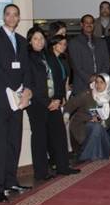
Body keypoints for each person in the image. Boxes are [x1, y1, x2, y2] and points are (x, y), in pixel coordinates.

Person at [0, 4, 33, 202]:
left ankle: (11, 181)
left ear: (19, 18)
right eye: (8, 14)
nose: (12, 17)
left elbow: (26, 69)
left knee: (14, 141)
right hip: (0, 99)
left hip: (18, 100)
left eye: (15, 14)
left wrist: (26, 90)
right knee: (1, 143)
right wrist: (15, 89)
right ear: (3, 17)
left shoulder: (21, 41)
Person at [26, 27, 80, 181]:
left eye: (41, 39)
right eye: (35, 39)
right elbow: (30, 83)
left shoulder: (47, 56)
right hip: (37, 104)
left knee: (59, 134)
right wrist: (47, 101)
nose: (39, 41)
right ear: (30, 41)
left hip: (53, 102)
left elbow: (57, 79)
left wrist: (57, 98)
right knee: (40, 138)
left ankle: (63, 166)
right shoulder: (28, 58)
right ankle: (41, 172)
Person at [63, 73, 110, 161]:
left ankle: (86, 153)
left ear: (107, 84)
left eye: (102, 82)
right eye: (97, 82)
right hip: (81, 124)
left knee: (98, 127)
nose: (98, 85)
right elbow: (71, 104)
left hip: (99, 127)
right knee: (97, 127)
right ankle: (88, 155)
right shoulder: (87, 94)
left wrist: (99, 120)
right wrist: (66, 115)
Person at [68, 14, 110, 96]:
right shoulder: (74, 42)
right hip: (82, 85)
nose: (89, 24)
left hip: (100, 86)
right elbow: (76, 65)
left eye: (91, 22)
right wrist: (90, 78)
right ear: (81, 24)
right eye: (86, 22)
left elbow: (106, 63)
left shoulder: (102, 42)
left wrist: (99, 78)